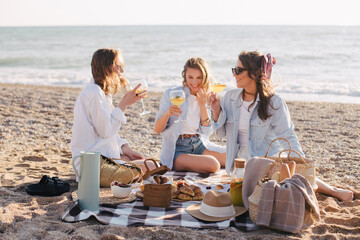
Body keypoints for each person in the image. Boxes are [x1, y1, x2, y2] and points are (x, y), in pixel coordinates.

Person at [210, 50, 354, 202]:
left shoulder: (274, 103)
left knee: (282, 177)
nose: (234, 74)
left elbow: (287, 134)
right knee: (249, 195)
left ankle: (333, 190)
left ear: (254, 73)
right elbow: (220, 135)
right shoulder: (229, 98)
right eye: (234, 69)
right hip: (239, 163)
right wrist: (216, 111)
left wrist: (301, 163)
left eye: (238, 70)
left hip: (267, 159)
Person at [71, 48, 148, 175]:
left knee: (131, 158)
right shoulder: (94, 93)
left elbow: (108, 132)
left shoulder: (101, 92)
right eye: (119, 66)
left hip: (101, 158)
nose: (122, 71)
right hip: (92, 167)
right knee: (151, 165)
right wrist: (123, 104)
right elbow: (105, 131)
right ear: (107, 69)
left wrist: (125, 148)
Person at [154, 57, 226, 173]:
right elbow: (157, 129)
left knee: (231, 157)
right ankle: (184, 163)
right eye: (190, 77)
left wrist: (203, 106)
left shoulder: (205, 96)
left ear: (205, 78)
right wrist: (168, 113)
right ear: (185, 76)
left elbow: (206, 133)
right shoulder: (172, 94)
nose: (194, 82)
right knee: (213, 165)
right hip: (178, 149)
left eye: (199, 78)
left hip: (198, 144)